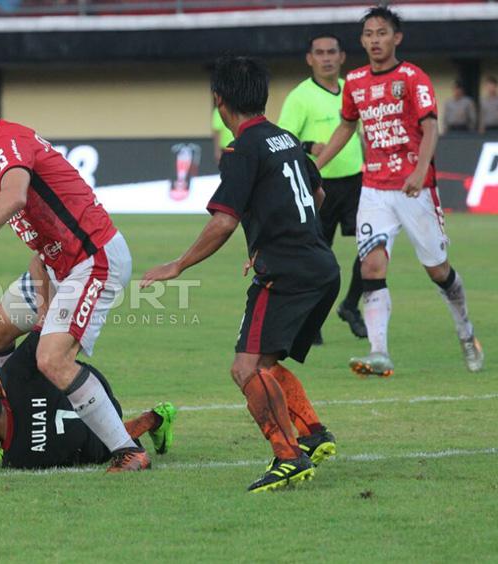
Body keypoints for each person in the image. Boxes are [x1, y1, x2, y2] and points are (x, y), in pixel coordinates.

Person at [0, 80, 149, 472]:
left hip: (93, 259)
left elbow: (15, 196)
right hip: (55, 265)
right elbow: (9, 208)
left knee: (52, 359)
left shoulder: (8, 142)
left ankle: (127, 451)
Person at [141, 56, 338, 493]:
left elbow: (223, 221)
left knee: (245, 368)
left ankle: (289, 457)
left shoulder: (240, 150)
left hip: (285, 274)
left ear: (219, 101)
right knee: (264, 364)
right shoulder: (285, 139)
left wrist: (177, 265)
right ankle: (313, 433)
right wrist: (274, 238)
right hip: (321, 265)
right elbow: (318, 194)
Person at [315, 6, 483, 376]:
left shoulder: (412, 78)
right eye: (369, 34)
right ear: (362, 41)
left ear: (396, 38)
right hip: (374, 189)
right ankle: (379, 352)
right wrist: (318, 163)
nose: (375, 40)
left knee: (438, 271)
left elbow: (431, 127)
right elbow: (346, 127)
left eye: (382, 33)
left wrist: (420, 171)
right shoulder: (355, 81)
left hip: (414, 190)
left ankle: (467, 334)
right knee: (371, 265)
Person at [0, 332, 177, 470]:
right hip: (92, 386)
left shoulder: (17, 459)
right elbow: (49, 331)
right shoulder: (16, 375)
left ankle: (152, 420)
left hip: (95, 440)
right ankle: (153, 419)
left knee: (92, 447)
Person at [278, 33, 368, 342]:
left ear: (342, 57)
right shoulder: (300, 96)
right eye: (320, 52)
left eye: (332, 52)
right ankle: (311, 319)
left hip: (357, 181)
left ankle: (351, 305)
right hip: (319, 185)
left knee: (372, 248)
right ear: (310, 59)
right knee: (318, 258)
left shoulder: (353, 89)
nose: (327, 57)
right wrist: (307, 145)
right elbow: (283, 139)